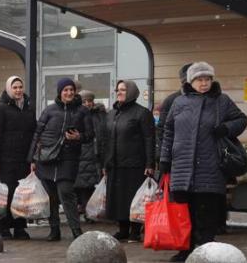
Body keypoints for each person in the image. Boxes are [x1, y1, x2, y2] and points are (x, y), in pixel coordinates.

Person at [160, 61, 247, 262]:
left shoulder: (222, 101)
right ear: (191, 81)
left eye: (207, 79)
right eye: (200, 79)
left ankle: (206, 253)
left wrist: (226, 128)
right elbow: (168, 131)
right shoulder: (179, 102)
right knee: (185, 214)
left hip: (210, 167)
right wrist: (164, 159)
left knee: (206, 215)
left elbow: (241, 120)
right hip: (182, 168)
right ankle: (186, 250)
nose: (204, 83)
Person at [29, 78, 93, 241]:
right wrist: (31, 159)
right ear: (59, 92)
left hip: (69, 158)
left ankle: (76, 230)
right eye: (65, 90)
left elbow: (90, 135)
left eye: (71, 90)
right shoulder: (49, 110)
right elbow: (37, 134)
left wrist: (79, 136)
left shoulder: (82, 111)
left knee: (66, 192)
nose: (69, 93)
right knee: (51, 196)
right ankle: (54, 230)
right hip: (47, 159)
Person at [103, 80, 155, 242]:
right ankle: (122, 229)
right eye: (118, 90)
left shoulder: (142, 113)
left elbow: (149, 139)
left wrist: (150, 163)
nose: (119, 92)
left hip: (134, 164)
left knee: (133, 198)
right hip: (115, 164)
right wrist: (105, 163)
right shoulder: (112, 113)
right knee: (118, 199)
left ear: (131, 92)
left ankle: (135, 230)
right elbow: (106, 139)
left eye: (123, 90)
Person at [0, 76, 36, 240]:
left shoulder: (28, 109)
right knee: (6, 195)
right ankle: (3, 227)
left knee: (21, 195)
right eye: (14, 87)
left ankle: (20, 227)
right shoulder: (0, 109)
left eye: (20, 87)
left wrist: (33, 158)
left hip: (23, 160)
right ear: (9, 89)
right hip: (5, 160)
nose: (18, 90)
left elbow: (33, 134)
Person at [75, 90, 107, 222]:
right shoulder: (77, 114)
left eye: (89, 101)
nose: (87, 103)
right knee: (84, 186)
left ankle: (95, 211)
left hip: (97, 155)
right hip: (83, 155)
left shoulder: (100, 115)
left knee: (96, 185)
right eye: (84, 101)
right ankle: (87, 211)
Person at [156, 63, 192, 157]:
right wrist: (165, 155)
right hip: (178, 154)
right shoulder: (171, 100)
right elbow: (162, 130)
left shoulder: (209, 99)